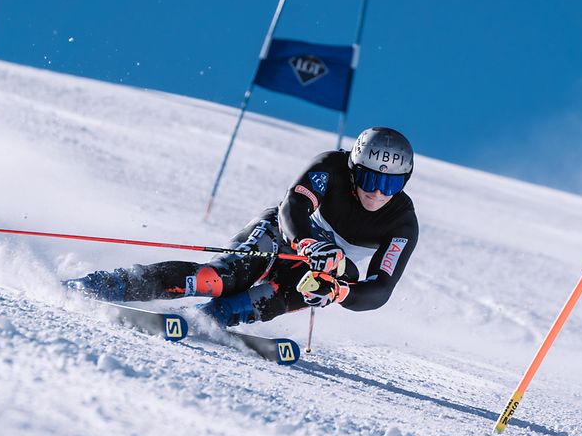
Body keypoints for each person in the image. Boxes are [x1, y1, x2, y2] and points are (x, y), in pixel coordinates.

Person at [65, 126, 420, 327]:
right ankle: (105, 284)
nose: (377, 192)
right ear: (354, 169)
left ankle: (205, 320)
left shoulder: (402, 222)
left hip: (321, 267)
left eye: (390, 184)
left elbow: (381, 288)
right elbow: (294, 206)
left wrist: (339, 293)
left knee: (272, 297)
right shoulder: (332, 166)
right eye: (369, 179)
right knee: (217, 280)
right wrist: (307, 242)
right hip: (284, 234)